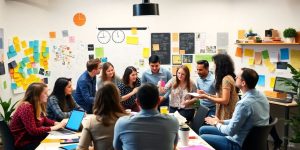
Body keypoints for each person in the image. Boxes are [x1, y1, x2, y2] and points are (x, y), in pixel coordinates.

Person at [199, 68, 270, 150]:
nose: (235, 77)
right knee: (203, 129)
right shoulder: (262, 96)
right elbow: (237, 121)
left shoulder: (244, 104)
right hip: (254, 141)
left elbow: (230, 131)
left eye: (238, 77)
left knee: (203, 137)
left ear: (243, 83)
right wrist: (221, 121)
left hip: (239, 144)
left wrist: (216, 123)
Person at [113, 83, 179, 150]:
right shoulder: (173, 122)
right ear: (159, 100)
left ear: (137, 102)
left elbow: (117, 147)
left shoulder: (122, 123)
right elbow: (174, 146)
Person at [9, 82, 67, 150]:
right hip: (25, 143)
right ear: (37, 95)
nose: (47, 95)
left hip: (33, 138)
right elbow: (33, 131)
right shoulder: (26, 107)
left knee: (60, 140)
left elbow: (44, 120)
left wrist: (56, 123)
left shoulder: (36, 105)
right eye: (45, 93)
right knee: (56, 146)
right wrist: (54, 127)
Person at [77, 82, 127, 150]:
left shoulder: (91, 121)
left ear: (97, 98)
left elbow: (81, 148)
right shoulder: (127, 119)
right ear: (117, 98)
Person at [197, 54, 239, 120]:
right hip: (222, 111)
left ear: (220, 66)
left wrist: (206, 96)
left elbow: (225, 100)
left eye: (215, 64)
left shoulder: (226, 79)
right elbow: (220, 96)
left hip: (227, 113)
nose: (213, 67)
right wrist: (206, 94)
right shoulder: (226, 77)